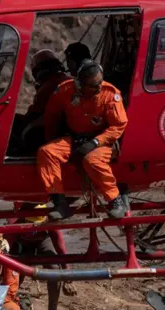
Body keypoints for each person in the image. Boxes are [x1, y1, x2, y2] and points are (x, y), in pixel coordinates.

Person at [37, 59, 128, 220]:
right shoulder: (65, 90)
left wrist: (95, 142)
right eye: (93, 85)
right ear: (80, 84)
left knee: (92, 160)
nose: (98, 87)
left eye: (100, 82)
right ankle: (59, 203)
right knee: (46, 152)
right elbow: (52, 115)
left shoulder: (110, 94)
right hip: (75, 138)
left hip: (103, 141)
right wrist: (50, 139)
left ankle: (115, 201)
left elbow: (118, 126)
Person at [5, 203, 78, 310]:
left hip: (43, 240)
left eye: (39, 224)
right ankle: (11, 307)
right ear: (25, 219)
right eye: (33, 225)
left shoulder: (50, 221)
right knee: (16, 272)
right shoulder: (14, 223)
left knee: (54, 270)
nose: (35, 227)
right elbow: (5, 250)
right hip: (21, 242)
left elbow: (60, 247)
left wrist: (67, 271)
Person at [11, 49, 73, 155]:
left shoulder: (48, 86)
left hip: (54, 131)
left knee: (18, 124)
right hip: (66, 130)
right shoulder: (69, 80)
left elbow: (34, 114)